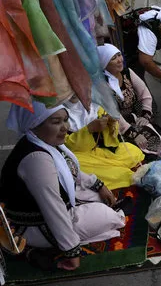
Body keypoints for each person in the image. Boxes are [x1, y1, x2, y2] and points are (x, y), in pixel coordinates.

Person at [0, 102, 126, 271]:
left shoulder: (45, 142)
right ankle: (44, 245)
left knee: (99, 196)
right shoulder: (36, 159)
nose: (65, 127)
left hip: (50, 209)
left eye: (66, 120)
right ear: (35, 123)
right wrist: (72, 251)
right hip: (35, 226)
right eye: (56, 122)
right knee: (109, 216)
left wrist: (98, 185)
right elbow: (53, 207)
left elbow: (71, 171)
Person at [63, 96, 145, 190]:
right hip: (82, 156)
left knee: (132, 150)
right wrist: (89, 130)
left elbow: (112, 138)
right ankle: (121, 175)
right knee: (76, 164)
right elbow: (64, 144)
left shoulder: (95, 104)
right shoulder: (58, 112)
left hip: (102, 151)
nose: (73, 91)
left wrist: (111, 124)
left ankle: (118, 170)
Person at [99, 43, 161, 155]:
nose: (119, 60)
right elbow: (114, 113)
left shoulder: (127, 73)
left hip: (133, 119)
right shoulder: (102, 84)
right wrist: (133, 134)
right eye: (113, 58)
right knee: (138, 151)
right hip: (115, 127)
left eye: (119, 55)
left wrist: (145, 115)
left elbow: (145, 94)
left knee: (158, 140)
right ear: (104, 63)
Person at [123, 6, 161, 88]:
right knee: (138, 87)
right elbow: (146, 62)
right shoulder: (148, 32)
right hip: (127, 54)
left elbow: (159, 35)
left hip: (135, 49)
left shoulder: (160, 14)